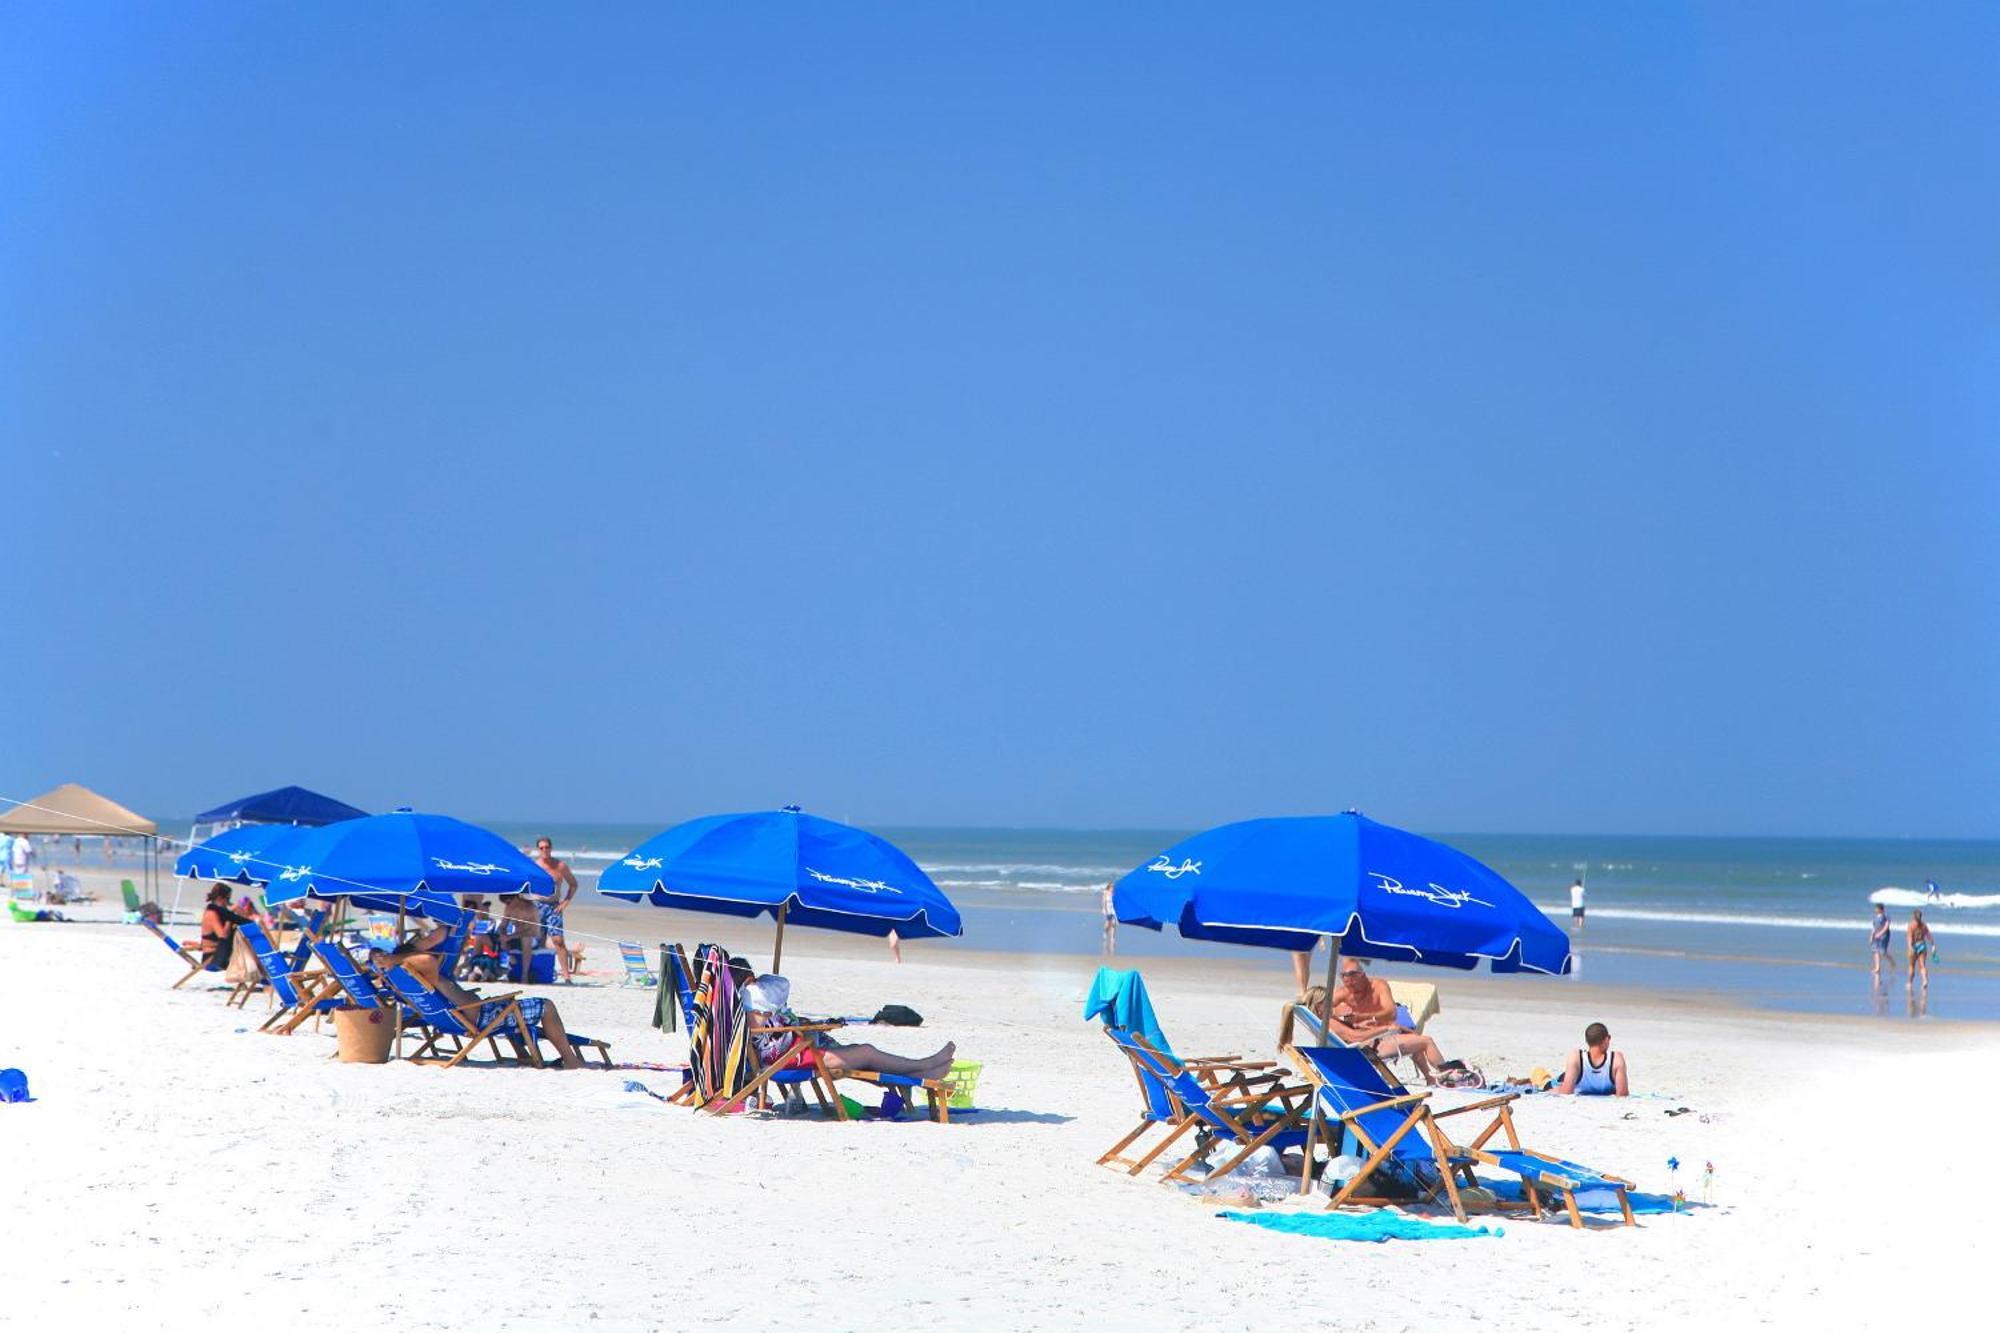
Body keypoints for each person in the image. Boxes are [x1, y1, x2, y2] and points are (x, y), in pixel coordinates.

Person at [377, 948, 589, 1069]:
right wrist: (395, 958)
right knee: (546, 1006)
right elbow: (428, 959)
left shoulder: (410, 986)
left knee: (512, 1009)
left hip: (460, 1018)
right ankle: (570, 1060)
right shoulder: (433, 979)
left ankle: (525, 1054)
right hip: (483, 1018)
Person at [739, 971, 955, 1082]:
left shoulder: (747, 1003)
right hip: (788, 1059)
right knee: (865, 1052)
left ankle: (921, 1072)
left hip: (796, 1052)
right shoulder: (750, 1001)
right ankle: (924, 1066)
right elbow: (762, 1022)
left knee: (861, 1055)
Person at [1286, 984, 1454, 1085]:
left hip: (1369, 1045)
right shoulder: (1329, 1022)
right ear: (1319, 1005)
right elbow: (1354, 1038)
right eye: (1328, 1001)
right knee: (1426, 1041)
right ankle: (1446, 1074)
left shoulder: (1325, 1020)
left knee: (1416, 1041)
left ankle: (1432, 1079)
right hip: (1370, 1049)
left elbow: (1351, 1033)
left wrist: (1364, 1025)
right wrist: (1386, 1027)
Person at [527, 837, 580, 982]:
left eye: (547, 847)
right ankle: (535, 972)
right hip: (537, 906)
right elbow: (524, 883)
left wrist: (565, 902)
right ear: (538, 850)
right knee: (536, 941)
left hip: (553, 906)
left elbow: (573, 884)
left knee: (558, 940)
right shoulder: (534, 866)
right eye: (541, 848)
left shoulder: (560, 866)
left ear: (551, 848)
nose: (544, 850)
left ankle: (566, 976)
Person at [1557, 1021, 1629, 1096]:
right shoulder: (1616, 1060)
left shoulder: (1576, 1057)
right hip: (1562, 1080)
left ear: (1587, 1041)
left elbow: (1566, 1092)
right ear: (1607, 1039)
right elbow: (1622, 1095)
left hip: (1576, 1074)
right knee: (1552, 1085)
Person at [199, 884, 254, 972]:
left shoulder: (218, 911)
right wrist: (229, 920)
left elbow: (246, 921)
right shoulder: (211, 914)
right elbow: (222, 936)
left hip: (220, 953)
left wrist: (236, 913)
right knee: (250, 954)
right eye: (228, 899)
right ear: (220, 898)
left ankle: (263, 976)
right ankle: (264, 977)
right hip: (213, 958)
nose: (228, 902)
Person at [497, 891, 540, 982]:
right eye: (505, 903)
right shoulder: (509, 908)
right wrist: (503, 933)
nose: (507, 905)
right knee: (498, 937)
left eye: (508, 902)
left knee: (526, 940)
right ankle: (508, 960)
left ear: (516, 898)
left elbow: (532, 930)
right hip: (515, 937)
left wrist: (510, 937)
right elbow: (503, 925)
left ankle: (524, 975)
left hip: (532, 938)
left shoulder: (530, 908)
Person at [1907, 910, 1934, 992]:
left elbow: (1909, 937)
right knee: (1922, 965)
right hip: (1922, 945)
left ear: (1914, 916)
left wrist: (1910, 947)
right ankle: (1925, 980)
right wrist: (1933, 945)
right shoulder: (1924, 925)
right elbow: (1928, 935)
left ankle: (1910, 983)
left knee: (1911, 966)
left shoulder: (1911, 925)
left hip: (1914, 946)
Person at [1870, 904, 1893, 984]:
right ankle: (1877, 968)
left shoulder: (1886, 916)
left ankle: (1892, 962)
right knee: (1875, 951)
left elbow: (1886, 927)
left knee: (1883, 952)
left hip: (1884, 935)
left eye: (1877, 909)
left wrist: (1880, 934)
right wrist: (1871, 936)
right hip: (1876, 935)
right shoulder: (1875, 918)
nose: (1875, 910)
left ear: (1881, 909)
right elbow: (1873, 928)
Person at [1101, 883, 1117, 955]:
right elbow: (1103, 901)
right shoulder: (1105, 893)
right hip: (1108, 909)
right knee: (1108, 923)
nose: (1112, 888)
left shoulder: (1114, 894)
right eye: (1111, 887)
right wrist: (1104, 909)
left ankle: (1112, 937)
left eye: (1113, 887)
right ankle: (1105, 932)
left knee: (1113, 924)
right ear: (1109, 887)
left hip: (1113, 910)